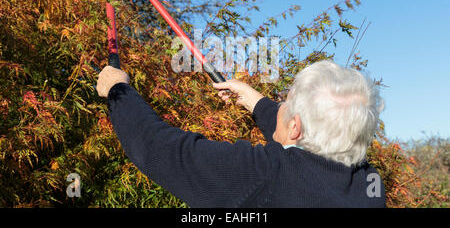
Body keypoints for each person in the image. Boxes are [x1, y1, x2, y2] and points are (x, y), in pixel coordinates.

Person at [96, 60, 385, 207]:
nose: (279, 105)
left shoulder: (264, 176)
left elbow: (159, 148)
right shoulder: (370, 185)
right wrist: (255, 101)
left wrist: (117, 90)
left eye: (286, 101)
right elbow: (312, 135)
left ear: (295, 127)